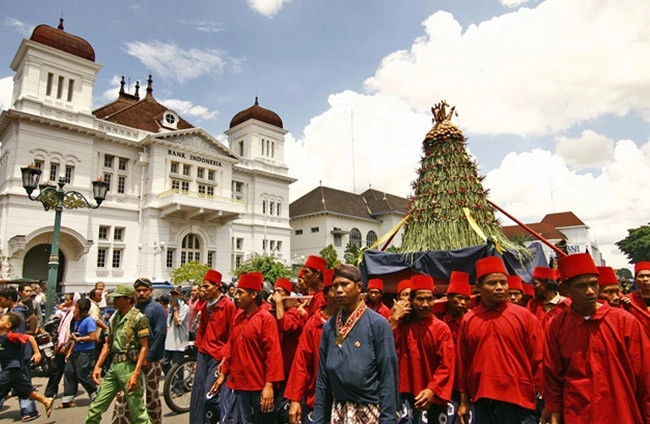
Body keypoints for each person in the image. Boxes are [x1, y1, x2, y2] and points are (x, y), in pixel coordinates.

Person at [544, 253, 650, 423]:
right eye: (581, 286)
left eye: (594, 284)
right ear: (565, 289)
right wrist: (554, 408)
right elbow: (552, 374)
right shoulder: (556, 326)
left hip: (621, 411)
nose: (590, 291)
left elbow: (645, 375)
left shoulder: (624, 321)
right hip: (578, 413)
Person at [457, 256, 543, 424]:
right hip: (482, 402)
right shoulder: (469, 319)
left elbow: (539, 358)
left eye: (503, 283)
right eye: (492, 283)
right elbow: (463, 363)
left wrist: (545, 399)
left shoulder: (524, 316)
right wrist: (464, 401)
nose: (499, 288)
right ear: (479, 287)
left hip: (519, 401)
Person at [313, 264, 398, 424]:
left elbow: (388, 377)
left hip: (370, 411)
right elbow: (323, 379)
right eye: (335, 285)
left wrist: (388, 420)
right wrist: (318, 419)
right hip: (338, 411)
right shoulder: (329, 327)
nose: (338, 290)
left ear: (359, 287)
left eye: (344, 284)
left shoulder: (378, 324)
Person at [211, 272, 284, 424]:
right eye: (236, 292)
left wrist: (269, 385)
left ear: (253, 295)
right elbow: (231, 347)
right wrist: (224, 374)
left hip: (258, 387)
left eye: (240, 293)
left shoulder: (266, 319)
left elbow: (273, 354)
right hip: (237, 385)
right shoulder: (238, 317)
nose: (236, 296)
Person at [392, 274, 455, 424]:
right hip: (405, 393)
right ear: (412, 300)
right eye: (420, 299)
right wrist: (394, 320)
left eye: (429, 299)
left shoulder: (441, 329)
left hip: (431, 396)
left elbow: (446, 365)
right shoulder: (402, 326)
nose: (426, 304)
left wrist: (432, 389)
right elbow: (386, 351)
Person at [86, 284, 150, 424]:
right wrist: (98, 366)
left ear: (128, 299)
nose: (113, 301)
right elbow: (108, 344)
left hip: (129, 367)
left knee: (138, 413)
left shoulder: (139, 318)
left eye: (118, 298)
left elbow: (144, 347)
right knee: (95, 408)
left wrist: (136, 373)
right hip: (114, 367)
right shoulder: (114, 318)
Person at [111, 278, 166, 424]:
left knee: (151, 395)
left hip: (151, 361)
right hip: (131, 360)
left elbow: (159, 334)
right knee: (126, 394)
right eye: (139, 290)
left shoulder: (156, 309)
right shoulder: (132, 309)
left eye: (145, 290)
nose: (141, 293)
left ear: (150, 291)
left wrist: (148, 358)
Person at [285, 269, 337, 424]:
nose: (340, 294)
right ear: (325, 295)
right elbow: (301, 363)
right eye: (335, 289)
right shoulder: (313, 324)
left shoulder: (353, 322)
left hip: (346, 400)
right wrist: (295, 399)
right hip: (316, 397)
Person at [190, 269, 236, 424]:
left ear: (217, 286)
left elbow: (232, 334)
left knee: (210, 396)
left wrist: (225, 358)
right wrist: (198, 357)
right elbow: (201, 331)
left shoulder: (228, 306)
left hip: (218, 355)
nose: (204, 290)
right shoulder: (204, 306)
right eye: (203, 286)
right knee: (197, 395)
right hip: (204, 353)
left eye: (207, 287)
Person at [0, 312, 53, 418]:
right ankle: (46, 400)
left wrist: (37, 353)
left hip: (12, 367)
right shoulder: (2, 336)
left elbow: (30, 338)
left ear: (8, 325)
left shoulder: (10, 335)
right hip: (11, 369)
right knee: (25, 390)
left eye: (2, 320)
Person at [0, 286, 40, 421]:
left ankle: (30, 410)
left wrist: (33, 352)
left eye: (1, 299)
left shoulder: (17, 314)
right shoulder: (11, 312)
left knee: (23, 384)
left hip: (19, 355)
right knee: (14, 383)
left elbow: (21, 336)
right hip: (11, 357)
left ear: (9, 299)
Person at [270, 277, 304, 422]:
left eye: (280, 291)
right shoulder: (270, 311)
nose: (276, 295)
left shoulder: (294, 312)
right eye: (274, 291)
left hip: (288, 369)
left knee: (283, 409)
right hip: (274, 368)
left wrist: (279, 304)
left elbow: (285, 326)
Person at [61, 297, 97, 407]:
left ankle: (95, 393)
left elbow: (92, 337)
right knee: (69, 372)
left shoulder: (89, 321)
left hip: (86, 352)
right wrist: (70, 352)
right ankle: (68, 399)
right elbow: (74, 338)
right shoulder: (77, 321)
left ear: (84, 311)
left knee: (82, 373)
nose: (75, 310)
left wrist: (80, 339)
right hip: (76, 351)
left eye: (77, 308)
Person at [44, 293, 79, 401]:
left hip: (69, 346)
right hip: (61, 345)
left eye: (68, 300)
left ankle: (70, 394)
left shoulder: (75, 314)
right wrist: (58, 344)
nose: (65, 302)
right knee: (56, 369)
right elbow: (61, 329)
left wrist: (67, 346)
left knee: (70, 372)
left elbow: (73, 332)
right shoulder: (67, 313)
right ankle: (50, 392)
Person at [162, 286, 189, 378]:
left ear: (181, 295)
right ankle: (172, 382)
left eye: (176, 294)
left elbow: (178, 322)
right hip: (170, 340)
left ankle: (178, 387)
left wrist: (175, 309)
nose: (174, 296)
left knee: (177, 365)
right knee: (164, 363)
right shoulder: (171, 308)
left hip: (179, 341)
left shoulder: (184, 307)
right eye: (172, 294)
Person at [625, 261, 650, 335]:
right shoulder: (629, 300)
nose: (645, 279)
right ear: (635, 280)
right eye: (641, 276)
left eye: (648, 276)